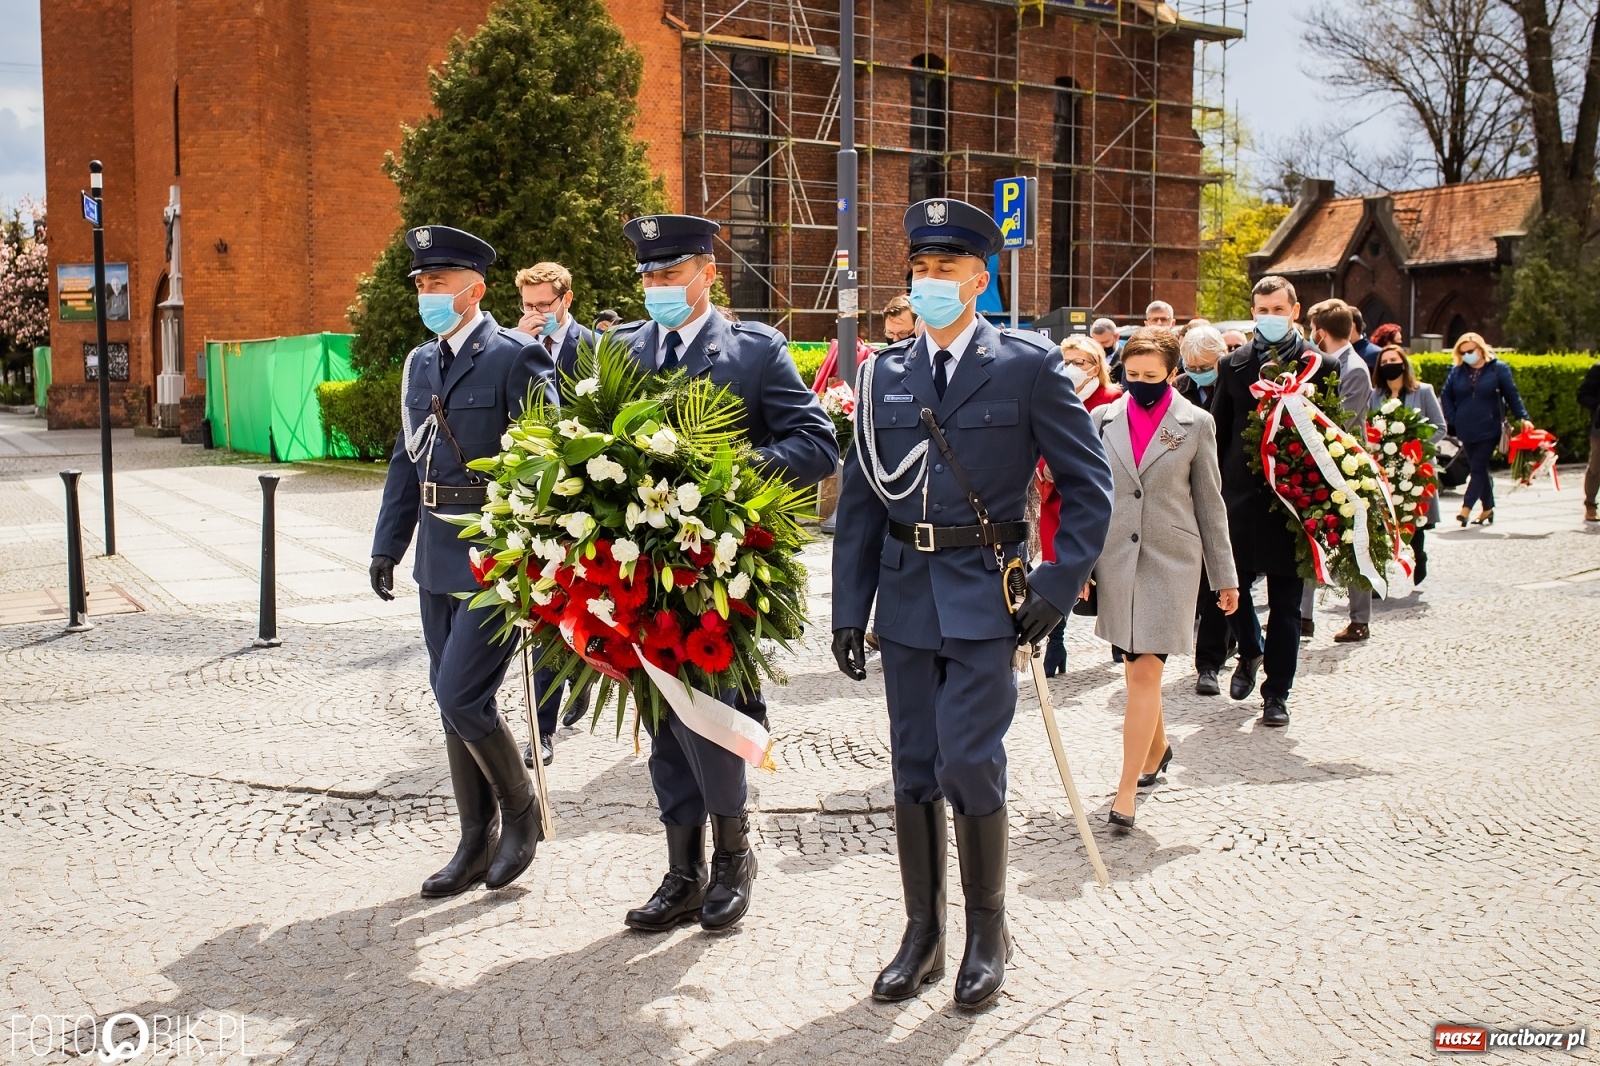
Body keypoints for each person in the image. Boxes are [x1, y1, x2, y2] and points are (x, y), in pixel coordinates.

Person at [832, 197, 1113, 1008]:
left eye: (943, 270)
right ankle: (923, 933)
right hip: (905, 591)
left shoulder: (1026, 366)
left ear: (980, 280)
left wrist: (1058, 585)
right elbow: (860, 502)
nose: (925, 283)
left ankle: (988, 929)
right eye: (918, 269)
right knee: (913, 765)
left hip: (990, 591)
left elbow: (1089, 487)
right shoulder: (882, 371)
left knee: (967, 758)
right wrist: (850, 608)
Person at [612, 214, 837, 936]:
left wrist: (722, 473)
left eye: (670, 273)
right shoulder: (617, 351)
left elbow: (815, 444)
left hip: (719, 571)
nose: (656, 287)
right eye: (647, 275)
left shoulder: (753, 351)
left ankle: (734, 856)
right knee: (662, 721)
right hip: (639, 573)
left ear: (709, 274)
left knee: (712, 716)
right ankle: (682, 872)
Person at [369, 225, 559, 897]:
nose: (427, 294)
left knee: (461, 693)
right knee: (450, 704)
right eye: (421, 284)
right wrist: (388, 543)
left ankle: (522, 813)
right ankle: (473, 841)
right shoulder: (421, 363)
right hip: (434, 558)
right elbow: (407, 455)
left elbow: (545, 461)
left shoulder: (514, 357)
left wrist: (532, 557)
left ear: (474, 290)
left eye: (438, 283)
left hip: (493, 558)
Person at [1090, 328, 1238, 830]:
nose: (1140, 384)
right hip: (1115, 559)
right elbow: (1091, 499)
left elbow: (1211, 504)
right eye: (1131, 376)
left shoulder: (1196, 423)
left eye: (1151, 376)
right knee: (1136, 672)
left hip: (1172, 560)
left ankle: (1126, 790)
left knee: (1147, 672)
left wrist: (1225, 577)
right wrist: (1084, 566)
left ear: (1172, 374)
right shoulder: (1101, 418)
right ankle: (1158, 750)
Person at [1211, 275, 1334, 728]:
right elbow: (1217, 431)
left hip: (1296, 499)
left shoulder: (1318, 365)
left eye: (1278, 310)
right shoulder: (1233, 365)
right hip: (1239, 497)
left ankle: (1277, 694)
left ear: (1295, 311)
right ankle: (1250, 649)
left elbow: (1335, 432)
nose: (1269, 318)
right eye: (1261, 310)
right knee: (1229, 588)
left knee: (1287, 605)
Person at [515, 262, 597, 761]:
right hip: (537, 503)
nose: (536, 313)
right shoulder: (511, 346)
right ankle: (540, 730)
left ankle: (584, 676)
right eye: (528, 305)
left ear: (566, 301)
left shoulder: (594, 346)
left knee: (586, 604)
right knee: (543, 612)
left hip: (587, 497)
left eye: (544, 305)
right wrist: (519, 343)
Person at [1036, 335, 1121, 675]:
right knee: (1061, 566)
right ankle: (1056, 642)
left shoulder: (1112, 400)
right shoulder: (1051, 396)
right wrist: (1044, 468)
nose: (1071, 368)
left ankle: (1122, 638)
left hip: (1099, 499)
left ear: (1096, 366)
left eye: (1079, 362)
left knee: (1110, 570)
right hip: (1057, 499)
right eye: (1065, 361)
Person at [1299, 299, 1374, 643]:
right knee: (1308, 538)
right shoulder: (1322, 363)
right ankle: (1303, 617)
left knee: (1353, 541)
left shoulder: (1354, 368)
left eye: (1313, 328)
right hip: (1318, 460)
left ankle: (1360, 619)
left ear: (1321, 331)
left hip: (1344, 465)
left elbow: (1340, 420)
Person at [1177, 326, 1232, 694]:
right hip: (1182, 495)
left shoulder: (1234, 383)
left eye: (1205, 365)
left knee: (1220, 578)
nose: (1198, 371)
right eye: (1191, 364)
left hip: (1224, 492)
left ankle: (1208, 664)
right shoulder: (1179, 389)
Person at [1371, 345, 1445, 580]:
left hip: (1415, 466)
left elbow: (1439, 427)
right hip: (1385, 466)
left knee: (1414, 515)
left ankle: (1418, 554)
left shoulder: (1423, 391)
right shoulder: (1375, 395)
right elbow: (1369, 427)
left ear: (1403, 363)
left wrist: (1415, 448)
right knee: (1383, 521)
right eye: (1384, 362)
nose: (1389, 365)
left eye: (1393, 360)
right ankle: (1378, 575)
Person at [1441, 332, 1528, 527]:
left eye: (1470, 351)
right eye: (1462, 353)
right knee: (1479, 469)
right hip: (1465, 427)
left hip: (1489, 427)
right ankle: (1488, 508)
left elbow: (1512, 395)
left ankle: (1466, 509)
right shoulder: (1457, 372)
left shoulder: (1498, 369)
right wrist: (1454, 417)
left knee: (1477, 468)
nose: (1466, 356)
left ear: (1480, 349)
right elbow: (1445, 395)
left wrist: (1523, 417)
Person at [1580, 356, 1600, 523]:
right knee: (1596, 466)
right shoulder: (1597, 369)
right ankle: (1590, 505)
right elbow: (1582, 395)